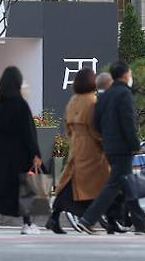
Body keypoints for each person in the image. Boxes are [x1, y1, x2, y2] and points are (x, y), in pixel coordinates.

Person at [76, 61, 145, 235]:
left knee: (127, 184)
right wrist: (135, 145)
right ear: (125, 75)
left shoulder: (104, 96)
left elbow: (95, 123)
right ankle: (88, 219)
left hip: (109, 147)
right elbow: (128, 123)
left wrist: (107, 138)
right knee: (113, 184)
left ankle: (140, 224)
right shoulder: (124, 94)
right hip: (123, 148)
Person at [0, 66, 42, 235]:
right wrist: (35, 153)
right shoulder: (21, 105)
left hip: (1, 153)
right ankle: (27, 224)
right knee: (24, 189)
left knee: (0, 189)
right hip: (19, 154)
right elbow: (29, 132)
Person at [46, 68, 109, 234]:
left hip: (75, 143)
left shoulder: (72, 100)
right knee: (97, 184)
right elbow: (95, 127)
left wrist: (73, 138)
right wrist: (103, 142)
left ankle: (54, 216)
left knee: (70, 181)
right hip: (91, 147)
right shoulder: (93, 101)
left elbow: (66, 125)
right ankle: (90, 218)